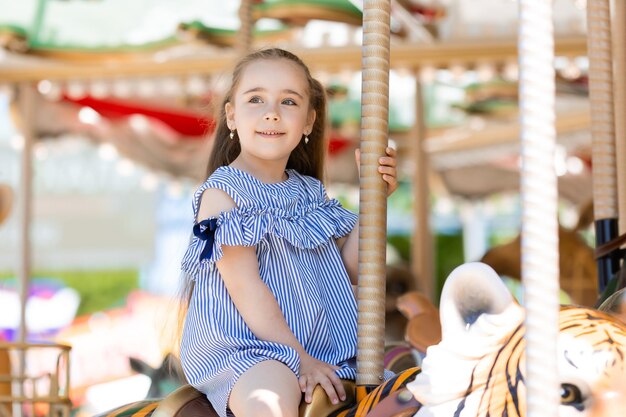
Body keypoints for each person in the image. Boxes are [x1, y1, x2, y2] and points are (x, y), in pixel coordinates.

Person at [178, 48, 398, 417]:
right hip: (249, 349)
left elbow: (355, 268)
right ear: (231, 115)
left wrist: (374, 200)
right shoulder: (222, 195)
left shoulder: (309, 193)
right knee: (272, 404)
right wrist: (300, 359)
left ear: (309, 121)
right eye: (256, 99)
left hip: (326, 348)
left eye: (289, 101)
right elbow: (247, 289)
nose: (272, 112)